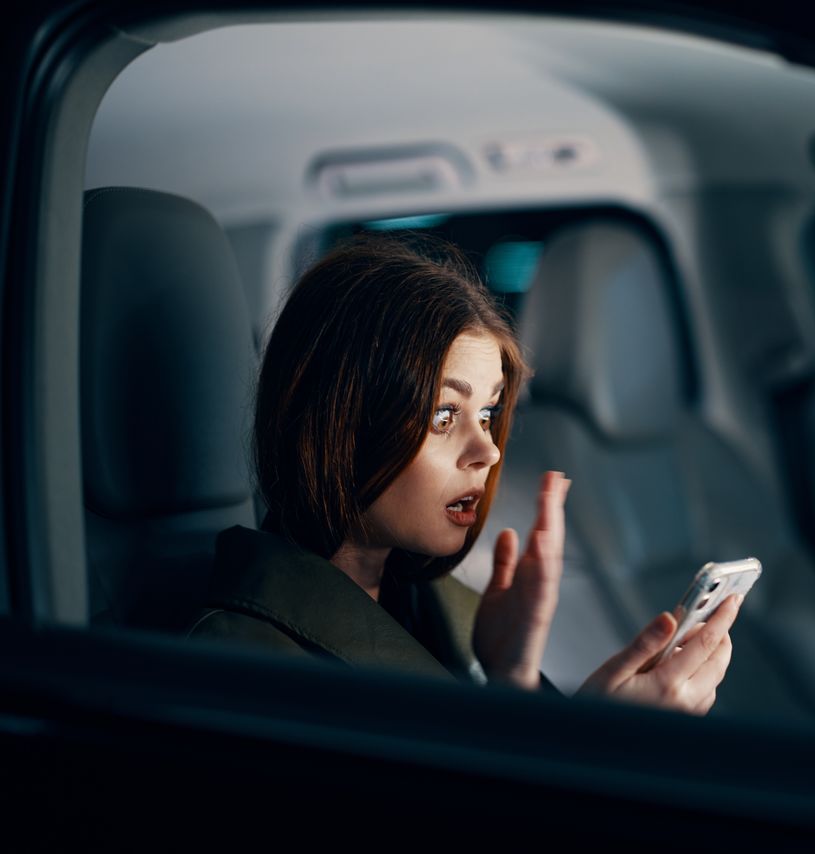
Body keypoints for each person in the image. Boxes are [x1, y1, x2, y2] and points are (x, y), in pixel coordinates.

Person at [188, 234, 738, 715]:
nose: (488, 452)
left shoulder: (442, 605)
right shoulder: (242, 660)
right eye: (443, 415)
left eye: (489, 414)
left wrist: (514, 676)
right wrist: (598, 745)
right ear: (337, 423)